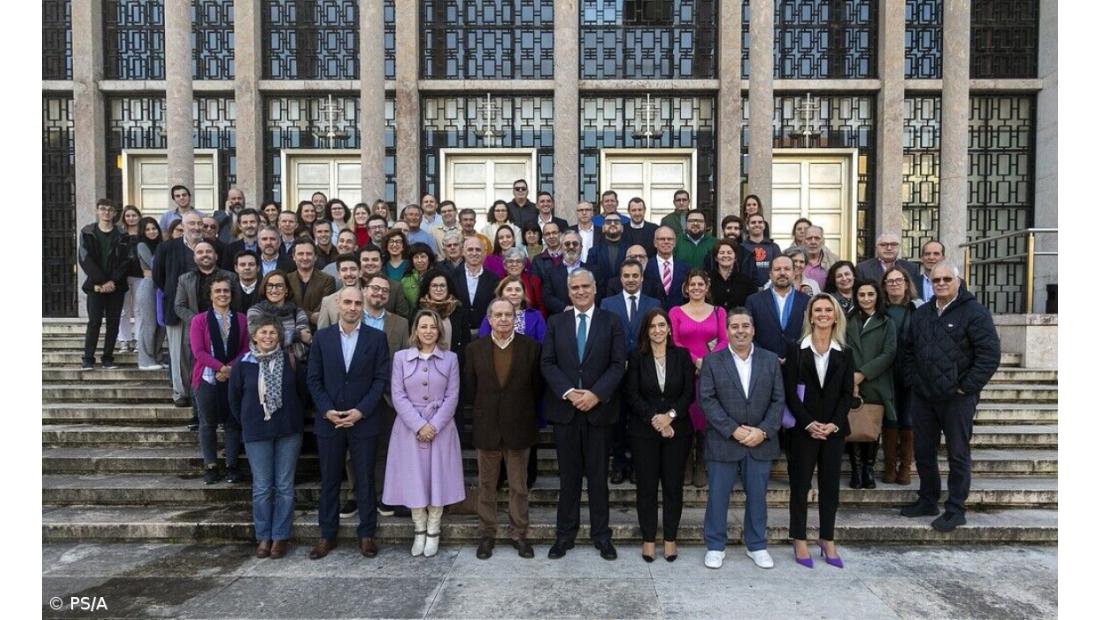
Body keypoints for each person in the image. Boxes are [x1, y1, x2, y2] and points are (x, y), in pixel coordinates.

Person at [900, 262, 1000, 532]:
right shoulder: (923, 313)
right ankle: (927, 500)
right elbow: (908, 350)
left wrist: (966, 387)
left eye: (947, 279)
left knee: (957, 453)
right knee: (923, 451)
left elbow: (989, 355)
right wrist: (914, 380)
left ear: (958, 281)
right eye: (936, 280)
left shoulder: (975, 312)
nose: (941, 284)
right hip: (924, 396)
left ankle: (956, 509)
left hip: (958, 398)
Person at [541, 269, 626, 561]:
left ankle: (602, 536)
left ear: (595, 288)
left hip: (599, 412)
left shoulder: (611, 321)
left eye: (585, 286)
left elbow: (618, 364)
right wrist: (569, 392)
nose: (580, 291)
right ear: (568, 292)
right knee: (569, 479)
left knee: (598, 479)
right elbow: (548, 363)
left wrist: (595, 395)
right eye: (575, 287)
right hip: (565, 411)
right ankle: (564, 536)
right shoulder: (556, 322)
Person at [306, 286, 391, 560]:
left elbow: (380, 379)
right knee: (330, 479)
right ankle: (326, 535)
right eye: (348, 302)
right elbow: (313, 379)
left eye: (357, 303)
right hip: (329, 421)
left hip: (363, 420)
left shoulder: (376, 338)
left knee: (364, 479)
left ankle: (367, 535)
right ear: (338, 304)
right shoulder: (322, 338)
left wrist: (361, 411)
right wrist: (326, 410)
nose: (353, 307)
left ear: (362, 306)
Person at [698, 308, 785, 570]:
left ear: (753, 329)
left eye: (745, 326)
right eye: (734, 326)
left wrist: (763, 431)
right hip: (723, 440)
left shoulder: (770, 360)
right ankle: (715, 545)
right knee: (718, 496)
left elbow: (778, 400)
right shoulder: (712, 361)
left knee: (757, 496)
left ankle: (756, 545)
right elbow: (707, 400)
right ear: (727, 331)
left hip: (760, 440)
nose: (740, 331)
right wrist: (733, 430)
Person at [384, 309, 465, 557]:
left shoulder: (450, 359)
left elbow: (452, 396)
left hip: (442, 428)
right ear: (415, 331)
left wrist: (434, 425)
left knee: (438, 479)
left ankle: (433, 529)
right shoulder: (401, 358)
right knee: (414, 479)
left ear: (439, 331)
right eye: (423, 326)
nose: (428, 331)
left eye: (433, 327)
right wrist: (419, 425)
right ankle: (419, 529)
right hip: (409, 429)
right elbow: (398, 395)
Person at [466, 298, 543, 559]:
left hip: (519, 426)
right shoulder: (475, 349)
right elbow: (471, 388)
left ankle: (519, 534)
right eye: (497, 315)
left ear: (515, 318)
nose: (503, 319)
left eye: (508, 315)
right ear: (489, 319)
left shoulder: (531, 348)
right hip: (487, 426)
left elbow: (537, 387)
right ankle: (487, 534)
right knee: (487, 486)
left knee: (519, 487)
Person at [784, 293, 855, 569]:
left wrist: (834, 423)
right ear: (810, 316)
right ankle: (799, 538)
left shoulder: (845, 352)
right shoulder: (795, 349)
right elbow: (790, 393)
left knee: (830, 488)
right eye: (818, 310)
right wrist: (808, 423)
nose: (823, 314)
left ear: (835, 316)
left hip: (833, 431)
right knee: (800, 486)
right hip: (804, 430)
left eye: (828, 310)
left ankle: (827, 539)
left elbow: (847, 393)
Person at [228, 316, 305, 560]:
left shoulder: (290, 360)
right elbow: (234, 399)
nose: (268, 337)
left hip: (288, 431)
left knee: (284, 486)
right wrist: (248, 420)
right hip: (256, 432)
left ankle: (280, 536)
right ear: (254, 336)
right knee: (262, 487)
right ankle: (263, 536)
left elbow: (302, 394)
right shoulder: (242, 364)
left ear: (279, 336)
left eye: (272, 332)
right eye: (263, 332)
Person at [624, 308, 694, 563]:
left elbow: (689, 393)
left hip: (678, 430)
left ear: (669, 329)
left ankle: (670, 539)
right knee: (647, 487)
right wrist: (655, 418)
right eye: (652, 326)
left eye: (662, 325)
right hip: (644, 431)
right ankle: (649, 539)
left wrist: (670, 416)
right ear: (646, 331)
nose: (657, 330)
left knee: (673, 487)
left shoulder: (682, 356)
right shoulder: (637, 357)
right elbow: (632, 394)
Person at [600, 259, 661, 484]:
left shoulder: (653, 303)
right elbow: (604, 336)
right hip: (616, 372)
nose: (631, 280)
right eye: (626, 276)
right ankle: (619, 464)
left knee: (641, 421)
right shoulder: (607, 303)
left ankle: (637, 465)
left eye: (635, 275)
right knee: (617, 421)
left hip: (644, 371)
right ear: (620, 278)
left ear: (642, 277)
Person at [669, 269, 729, 488]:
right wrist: (695, 361)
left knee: (705, 416)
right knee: (686, 414)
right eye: (692, 284)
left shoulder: (718, 312)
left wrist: (707, 362)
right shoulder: (676, 311)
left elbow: (724, 340)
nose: (696, 288)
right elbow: (675, 341)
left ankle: (701, 463)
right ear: (686, 288)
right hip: (685, 371)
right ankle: (685, 463)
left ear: (707, 287)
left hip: (710, 372)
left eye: (700, 284)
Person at [189, 274, 248, 484]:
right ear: (210, 295)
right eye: (218, 291)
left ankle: (232, 465)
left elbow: (246, 349)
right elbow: (198, 351)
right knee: (207, 424)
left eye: (226, 290)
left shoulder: (241, 319)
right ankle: (211, 466)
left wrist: (230, 368)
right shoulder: (199, 320)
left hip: (233, 377)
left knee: (232, 423)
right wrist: (221, 368)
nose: (222, 294)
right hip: (207, 378)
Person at [845, 279, 897, 489]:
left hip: (876, 381)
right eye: (861, 295)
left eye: (870, 294)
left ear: (877, 296)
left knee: (871, 425)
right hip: (850, 381)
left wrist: (862, 374)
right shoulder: (848, 320)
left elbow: (889, 353)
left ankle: (868, 469)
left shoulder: (886, 321)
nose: (866, 298)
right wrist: (852, 377)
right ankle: (856, 470)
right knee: (853, 423)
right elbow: (843, 349)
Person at [155, 210, 204, 406]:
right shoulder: (167, 247)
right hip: (176, 308)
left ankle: (199, 391)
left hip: (203, 308)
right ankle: (181, 393)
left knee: (201, 351)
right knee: (178, 353)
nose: (196, 227)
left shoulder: (210, 247)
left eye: (199, 223)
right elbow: (159, 276)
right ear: (183, 226)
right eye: (191, 224)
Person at [881, 266, 923, 484]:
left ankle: (905, 467)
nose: (895, 284)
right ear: (884, 286)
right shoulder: (879, 310)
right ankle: (889, 467)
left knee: (907, 419)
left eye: (899, 280)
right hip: (884, 372)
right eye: (890, 281)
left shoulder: (918, 309)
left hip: (910, 371)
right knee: (889, 419)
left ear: (907, 284)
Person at [79, 199, 132, 370]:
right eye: (103, 209)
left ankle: (107, 358)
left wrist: (112, 281)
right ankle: (88, 358)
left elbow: (126, 260)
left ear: (115, 213)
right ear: (97, 211)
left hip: (116, 286)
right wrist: (102, 281)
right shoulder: (87, 232)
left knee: (113, 322)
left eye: (110, 209)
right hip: (95, 285)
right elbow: (84, 258)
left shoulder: (123, 234)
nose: (106, 212)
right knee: (94, 322)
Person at [744, 256, 811, 357]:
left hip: (798, 361)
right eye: (777, 269)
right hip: (764, 361)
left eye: (787, 269)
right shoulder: (754, 301)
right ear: (770, 274)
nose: (782, 273)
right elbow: (747, 332)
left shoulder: (807, 301)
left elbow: (810, 333)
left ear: (794, 273)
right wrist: (766, 357)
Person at [246, 270, 311, 365]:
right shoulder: (255, 311)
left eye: (279, 286)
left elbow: (306, 338)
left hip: (295, 366)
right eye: (270, 285)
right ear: (265, 288)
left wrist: (274, 339)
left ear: (286, 290)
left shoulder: (297, 312)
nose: (274, 290)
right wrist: (298, 335)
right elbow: (259, 341)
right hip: (263, 364)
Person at [416, 269, 472, 364]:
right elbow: (413, 340)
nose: (439, 289)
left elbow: (466, 342)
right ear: (428, 288)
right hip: (423, 364)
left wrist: (455, 361)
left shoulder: (459, 312)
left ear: (448, 288)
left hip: (453, 364)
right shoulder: (419, 311)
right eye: (434, 286)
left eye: (442, 285)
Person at [133, 217, 165, 370]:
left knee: (161, 324)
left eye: (154, 228)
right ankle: (145, 360)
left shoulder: (162, 245)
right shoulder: (142, 245)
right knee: (149, 323)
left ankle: (157, 357)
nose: (152, 232)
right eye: (148, 229)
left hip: (161, 286)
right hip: (148, 286)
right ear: (143, 232)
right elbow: (155, 265)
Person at [453, 236, 501, 336]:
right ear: (463, 252)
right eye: (470, 249)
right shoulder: (451, 276)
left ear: (484, 253)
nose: (474, 253)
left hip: (486, 333)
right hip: (458, 333)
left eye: (478, 250)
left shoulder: (494, 279)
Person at [285, 238, 337, 330]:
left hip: (318, 331)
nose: (305, 258)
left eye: (309, 254)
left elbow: (323, 311)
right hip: (290, 329)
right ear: (293, 257)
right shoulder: (286, 279)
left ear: (315, 257)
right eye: (300, 254)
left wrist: (296, 312)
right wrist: (310, 316)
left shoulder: (328, 280)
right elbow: (285, 307)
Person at [478, 276, 547, 342]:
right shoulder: (492, 315)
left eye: (518, 290)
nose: (514, 293)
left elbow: (543, 342)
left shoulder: (536, 315)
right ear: (501, 294)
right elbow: (483, 341)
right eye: (509, 290)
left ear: (523, 294)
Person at [541, 231, 589, 314]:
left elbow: (598, 294)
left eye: (575, 244)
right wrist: (565, 308)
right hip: (561, 316)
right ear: (561, 247)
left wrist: (584, 308)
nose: (571, 246)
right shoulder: (550, 273)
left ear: (581, 247)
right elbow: (547, 297)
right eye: (567, 244)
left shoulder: (593, 270)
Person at [358, 246, 412, 318]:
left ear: (381, 263)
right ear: (359, 263)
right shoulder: (352, 284)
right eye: (365, 260)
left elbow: (403, 317)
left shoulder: (395, 287)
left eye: (374, 259)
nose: (370, 263)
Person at [117, 204, 143, 352]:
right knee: (123, 310)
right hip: (123, 276)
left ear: (139, 216)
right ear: (124, 218)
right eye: (128, 216)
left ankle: (139, 339)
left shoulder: (144, 234)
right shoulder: (119, 234)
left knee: (139, 309)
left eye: (134, 215)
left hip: (141, 275)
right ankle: (124, 340)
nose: (131, 218)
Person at [645, 226, 690, 310]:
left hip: (678, 314)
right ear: (655, 243)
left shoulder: (684, 267)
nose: (666, 242)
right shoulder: (646, 266)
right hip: (654, 314)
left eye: (670, 239)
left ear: (675, 243)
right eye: (662, 239)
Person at [708, 239, 757, 311]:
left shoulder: (746, 281)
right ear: (716, 258)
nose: (725, 255)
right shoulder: (708, 280)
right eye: (721, 253)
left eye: (729, 252)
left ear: (735, 258)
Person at [856, 233, 921, 284]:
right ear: (876, 248)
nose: (889, 248)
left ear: (899, 247)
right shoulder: (863, 268)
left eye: (893, 244)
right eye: (883, 245)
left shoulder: (911, 268)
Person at [586, 216, 627, 293]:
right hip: (600, 295)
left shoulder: (629, 250)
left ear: (622, 228)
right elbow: (590, 277)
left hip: (623, 294)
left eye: (616, 222)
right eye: (608, 222)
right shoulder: (593, 251)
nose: (612, 224)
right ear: (603, 228)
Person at [501, 247, 544, 316]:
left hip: (530, 320)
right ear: (505, 265)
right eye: (510, 261)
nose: (514, 264)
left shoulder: (534, 281)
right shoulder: (499, 282)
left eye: (518, 261)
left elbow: (541, 307)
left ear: (523, 265)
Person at [742, 214, 781, 288]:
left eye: (760, 222)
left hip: (770, 289)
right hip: (747, 290)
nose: (757, 224)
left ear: (764, 226)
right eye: (753, 222)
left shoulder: (774, 247)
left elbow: (779, 268)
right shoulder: (741, 247)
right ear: (747, 226)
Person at [401, 242, 436, 309]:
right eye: (416, 257)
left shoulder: (437, 277)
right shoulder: (405, 281)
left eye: (423, 256)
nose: (419, 260)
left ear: (429, 258)